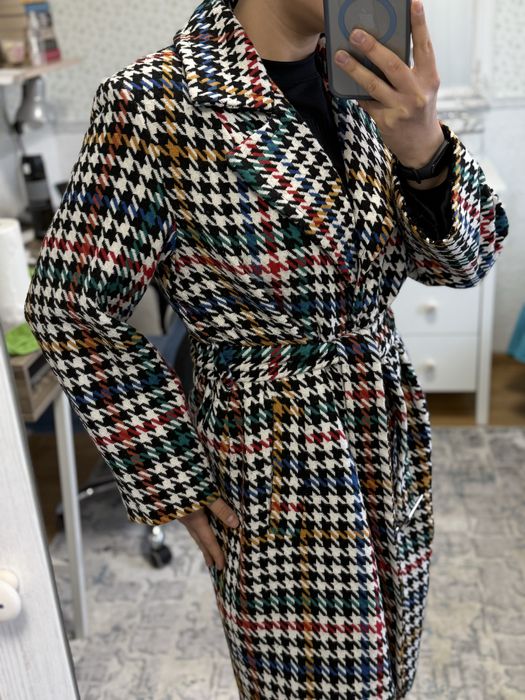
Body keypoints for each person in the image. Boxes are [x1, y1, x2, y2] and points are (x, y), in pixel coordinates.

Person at [24, 0, 509, 697]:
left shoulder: (365, 84)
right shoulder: (155, 101)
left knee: (392, 662)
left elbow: (462, 264)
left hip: (384, 427)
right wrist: (172, 473)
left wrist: (423, 149)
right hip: (277, 457)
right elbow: (70, 305)